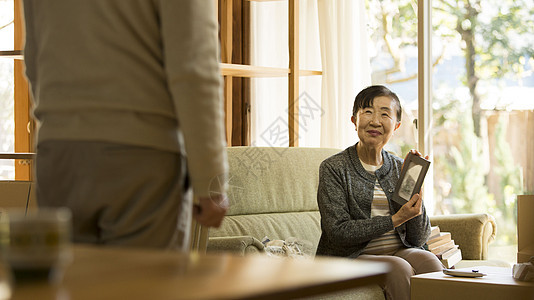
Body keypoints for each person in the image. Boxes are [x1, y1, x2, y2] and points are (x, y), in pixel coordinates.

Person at [22, 0, 228, 251]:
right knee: (147, 288)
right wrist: (210, 181)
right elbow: (194, 68)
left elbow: (33, 60)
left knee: (75, 287)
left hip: (58, 154)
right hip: (142, 155)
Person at [316, 85, 442, 300]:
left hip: (398, 251)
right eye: (367, 112)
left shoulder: (400, 167)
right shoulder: (334, 168)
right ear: (354, 120)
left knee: (430, 261)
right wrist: (395, 219)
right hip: (351, 257)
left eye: (385, 114)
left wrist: (418, 200)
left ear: (396, 126)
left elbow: (419, 238)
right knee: (397, 268)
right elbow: (338, 232)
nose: (375, 121)